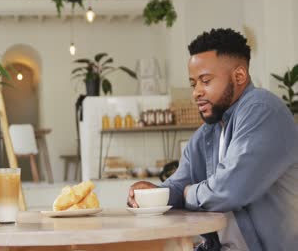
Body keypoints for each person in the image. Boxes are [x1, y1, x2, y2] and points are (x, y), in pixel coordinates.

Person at [127, 28, 298, 251]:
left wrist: (189, 192)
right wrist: (153, 194)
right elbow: (179, 184)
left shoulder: (262, 110)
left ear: (239, 76)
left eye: (205, 81)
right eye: (193, 84)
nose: (196, 92)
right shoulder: (208, 132)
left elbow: (229, 190)